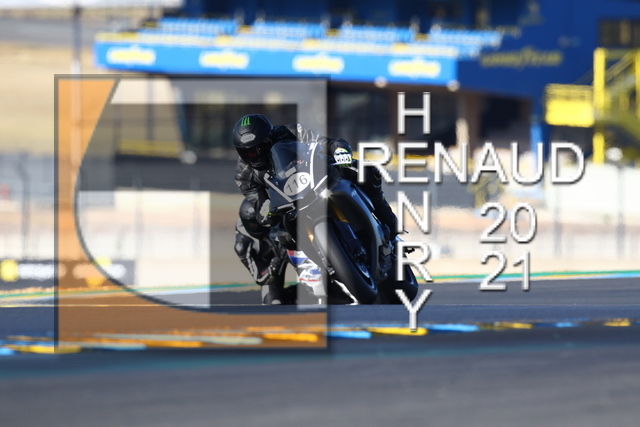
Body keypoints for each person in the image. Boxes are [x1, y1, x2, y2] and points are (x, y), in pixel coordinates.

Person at [232, 114, 397, 304]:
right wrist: (266, 212)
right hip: (291, 203)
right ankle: (326, 266)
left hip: (319, 177)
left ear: (269, 138)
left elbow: (325, 142)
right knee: (285, 236)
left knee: (363, 170)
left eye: (259, 148)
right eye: (248, 153)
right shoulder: (243, 175)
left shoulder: (289, 132)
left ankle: (387, 218)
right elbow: (258, 201)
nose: (255, 155)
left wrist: (339, 150)